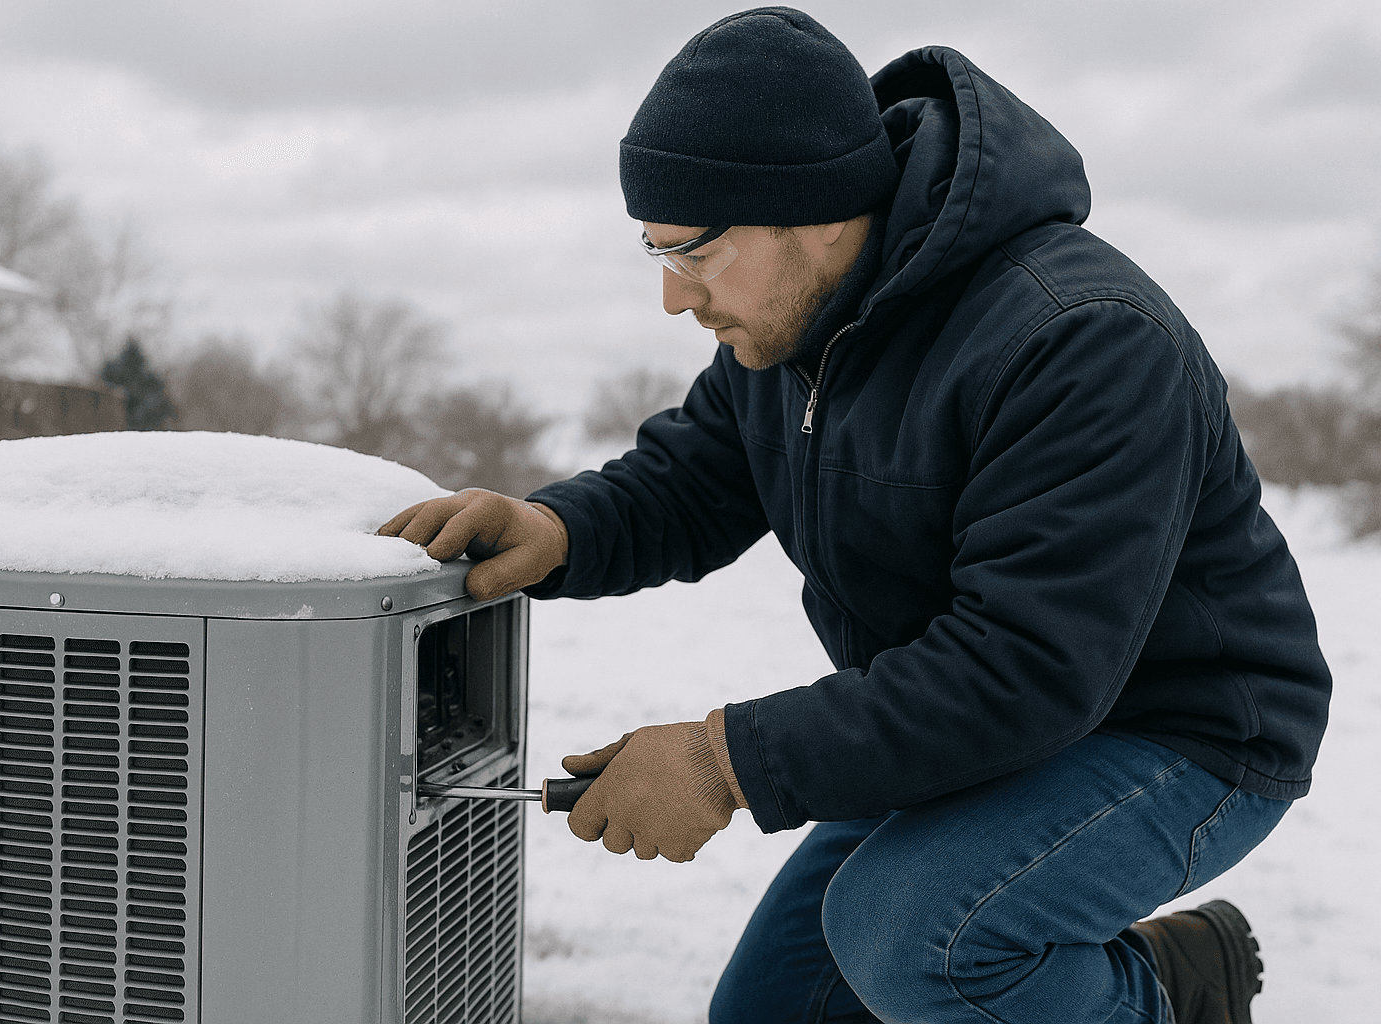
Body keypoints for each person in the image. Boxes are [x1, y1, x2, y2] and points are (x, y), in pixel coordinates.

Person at [380, 8, 1331, 1023]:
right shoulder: (793, 329)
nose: (672, 298)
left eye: (693, 252)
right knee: (770, 1011)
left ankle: (1164, 998)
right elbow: (695, 478)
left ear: (820, 212)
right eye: (653, 252)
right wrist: (556, 530)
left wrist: (722, 761)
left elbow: (1028, 664)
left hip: (1180, 728)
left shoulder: (1079, 339)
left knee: (916, 936)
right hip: (961, 715)